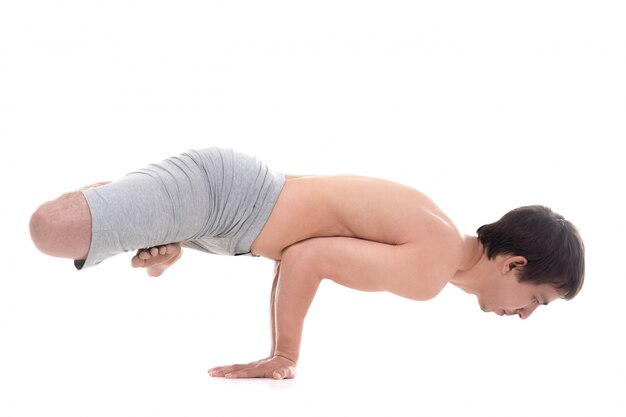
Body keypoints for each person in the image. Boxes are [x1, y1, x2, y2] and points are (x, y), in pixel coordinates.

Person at [29, 147, 585, 380]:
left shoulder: (440, 235)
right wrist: (282, 355)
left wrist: (177, 235)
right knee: (49, 231)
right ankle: (119, 201)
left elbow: (305, 229)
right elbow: (306, 254)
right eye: (537, 300)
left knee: (107, 238)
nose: (527, 315)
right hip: (229, 202)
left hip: (227, 222)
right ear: (514, 265)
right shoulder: (431, 267)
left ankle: (145, 224)